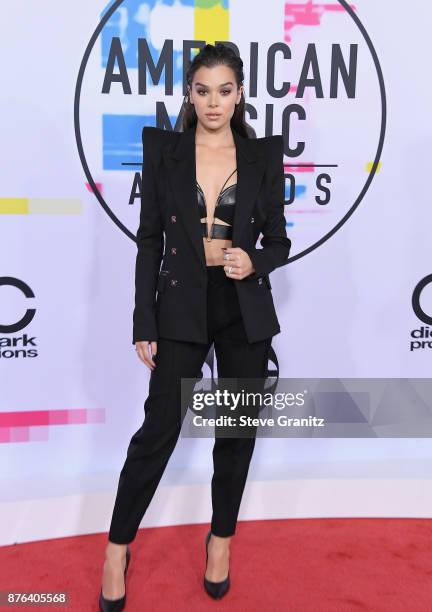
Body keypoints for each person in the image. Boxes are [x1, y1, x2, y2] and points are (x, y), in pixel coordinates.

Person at [99, 42, 291, 611]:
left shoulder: (262, 156)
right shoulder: (166, 150)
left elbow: (279, 239)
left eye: (225, 90)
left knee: (236, 434)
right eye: (203, 90)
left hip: (240, 306)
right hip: (180, 302)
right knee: (158, 431)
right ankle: (117, 548)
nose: (214, 102)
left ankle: (221, 541)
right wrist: (143, 319)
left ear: (240, 94)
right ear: (189, 92)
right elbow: (149, 239)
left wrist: (255, 259)